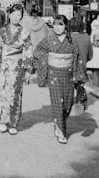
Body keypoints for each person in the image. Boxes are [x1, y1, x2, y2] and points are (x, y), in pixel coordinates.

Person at [34, 14, 86, 144]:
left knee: (67, 105)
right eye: (55, 24)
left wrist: (78, 77)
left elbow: (77, 58)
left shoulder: (72, 42)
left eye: (60, 24)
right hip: (54, 74)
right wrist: (46, 59)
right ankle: (62, 133)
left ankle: (58, 122)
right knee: (58, 103)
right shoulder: (49, 39)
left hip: (67, 75)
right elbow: (38, 50)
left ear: (66, 26)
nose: (57, 27)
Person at [0, 3, 34, 135]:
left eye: (18, 15)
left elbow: (28, 50)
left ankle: (13, 122)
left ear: (21, 17)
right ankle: (2, 121)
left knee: (15, 94)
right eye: (13, 14)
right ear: (9, 14)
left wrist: (28, 69)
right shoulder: (2, 31)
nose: (15, 17)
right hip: (3, 65)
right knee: (2, 92)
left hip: (18, 66)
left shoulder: (24, 32)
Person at [69, 14, 92, 111]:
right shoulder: (86, 37)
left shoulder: (68, 37)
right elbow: (91, 55)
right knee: (79, 83)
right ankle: (80, 99)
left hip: (69, 67)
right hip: (82, 66)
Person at [21, 5, 49, 85]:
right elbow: (47, 34)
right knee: (42, 63)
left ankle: (27, 78)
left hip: (32, 45)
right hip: (41, 46)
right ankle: (42, 79)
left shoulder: (29, 23)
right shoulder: (43, 23)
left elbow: (26, 34)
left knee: (30, 63)